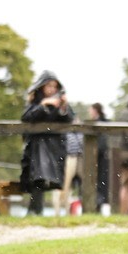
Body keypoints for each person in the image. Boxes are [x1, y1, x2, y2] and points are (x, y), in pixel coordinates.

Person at [21, 70, 73, 216]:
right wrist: (43, 105)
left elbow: (68, 119)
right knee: (38, 177)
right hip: (37, 146)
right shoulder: (35, 101)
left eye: (54, 86)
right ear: (42, 86)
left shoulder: (60, 102)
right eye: (48, 85)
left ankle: (35, 211)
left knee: (43, 178)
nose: (51, 89)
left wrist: (63, 106)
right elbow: (26, 117)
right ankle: (35, 210)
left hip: (54, 147)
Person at [88, 103, 111, 211]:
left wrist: (98, 150)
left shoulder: (102, 123)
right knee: (97, 181)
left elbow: (104, 140)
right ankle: (97, 203)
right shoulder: (99, 123)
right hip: (96, 156)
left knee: (101, 181)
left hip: (101, 156)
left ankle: (99, 203)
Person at [59, 115, 84, 215]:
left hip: (80, 158)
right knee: (65, 186)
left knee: (82, 185)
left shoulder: (80, 133)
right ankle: (62, 210)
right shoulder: (66, 132)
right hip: (69, 158)